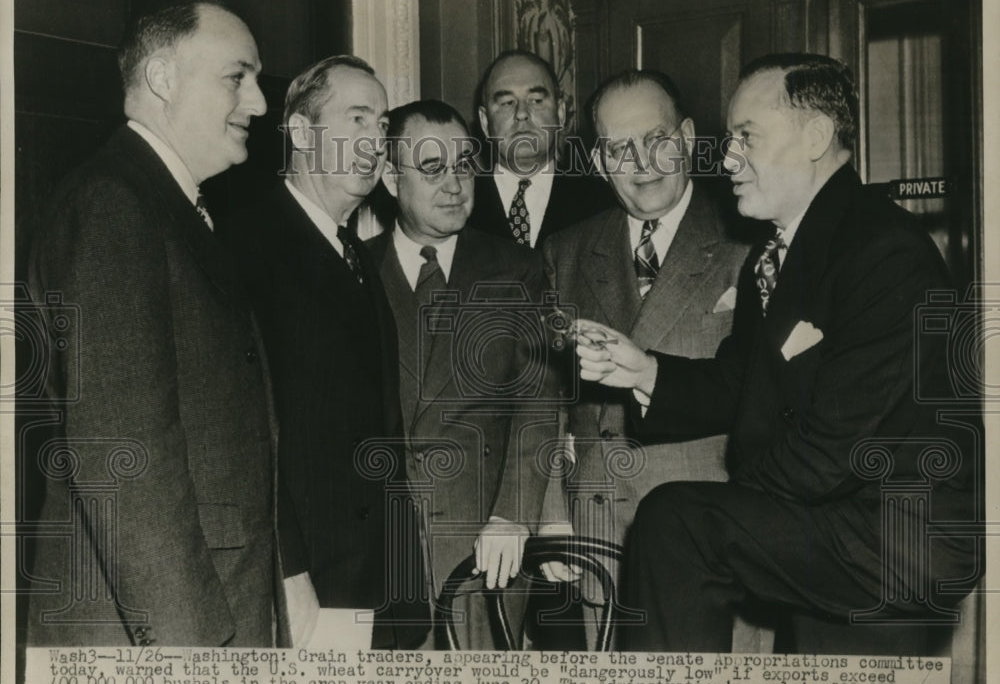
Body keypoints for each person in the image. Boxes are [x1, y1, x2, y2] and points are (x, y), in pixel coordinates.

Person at [574, 53, 981, 651]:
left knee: (676, 520)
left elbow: (839, 447)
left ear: (815, 136)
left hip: (893, 539)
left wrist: (730, 507)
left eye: (746, 138)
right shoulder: (780, 251)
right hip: (831, 526)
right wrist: (647, 370)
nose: (728, 158)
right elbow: (743, 383)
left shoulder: (885, 251)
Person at [25, 0, 283, 646]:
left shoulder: (163, 204)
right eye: (237, 77)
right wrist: (191, 658)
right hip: (166, 638)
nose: (257, 103)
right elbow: (126, 459)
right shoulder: (116, 202)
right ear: (164, 79)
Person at [535, 70, 750, 648]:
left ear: (684, 138)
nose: (642, 162)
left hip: (710, 539)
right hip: (596, 534)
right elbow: (547, 401)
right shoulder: (566, 251)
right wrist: (552, 511)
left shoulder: (746, 241)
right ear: (600, 163)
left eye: (656, 140)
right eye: (618, 149)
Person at [229, 56, 428, 650]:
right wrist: (291, 577)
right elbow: (244, 437)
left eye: (382, 123)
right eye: (357, 119)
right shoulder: (246, 247)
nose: (376, 141)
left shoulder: (356, 255)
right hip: (305, 587)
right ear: (299, 131)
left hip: (378, 583)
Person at [367, 99, 558, 648]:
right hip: (381, 551)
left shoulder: (517, 267)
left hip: (483, 549)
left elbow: (539, 403)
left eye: (464, 166)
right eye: (431, 169)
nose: (454, 185)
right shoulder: (351, 269)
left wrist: (514, 516)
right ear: (389, 176)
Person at [470, 50, 614, 247]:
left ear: (561, 114)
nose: (521, 113)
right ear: (485, 122)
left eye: (536, 100)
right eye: (506, 103)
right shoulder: (461, 204)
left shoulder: (601, 203)